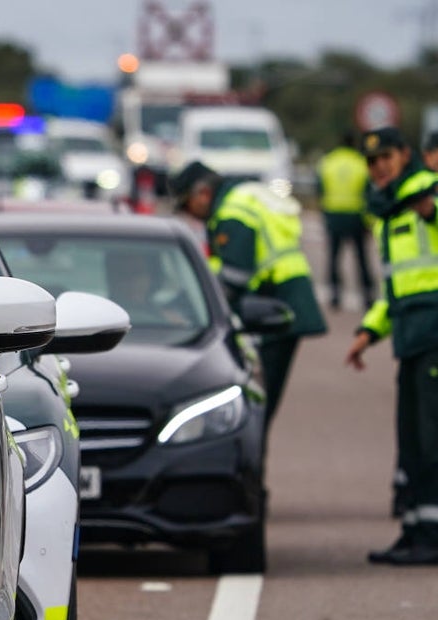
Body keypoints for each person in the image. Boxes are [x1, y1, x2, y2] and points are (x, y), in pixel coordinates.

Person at [170, 161, 327, 429]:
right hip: (281, 301)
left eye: (187, 205)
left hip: (275, 307)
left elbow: (234, 278)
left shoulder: (233, 212)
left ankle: (251, 459)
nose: (191, 215)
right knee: (261, 403)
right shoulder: (241, 197)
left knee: (258, 408)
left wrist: (195, 308)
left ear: (203, 193)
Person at [344, 126, 438, 565]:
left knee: (431, 439)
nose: (378, 167)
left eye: (386, 158)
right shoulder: (393, 213)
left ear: (407, 155)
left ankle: (432, 536)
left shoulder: (422, 194)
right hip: (411, 335)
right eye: (371, 162)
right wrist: (368, 331)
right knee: (413, 440)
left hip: (434, 333)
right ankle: (416, 529)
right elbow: (397, 290)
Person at [316, 131, 375, 310]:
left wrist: (324, 212)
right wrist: (369, 220)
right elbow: (369, 193)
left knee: (333, 257)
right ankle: (368, 295)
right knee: (362, 258)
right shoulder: (361, 163)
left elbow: (319, 188)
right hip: (356, 216)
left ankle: (335, 294)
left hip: (334, 214)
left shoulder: (328, 162)